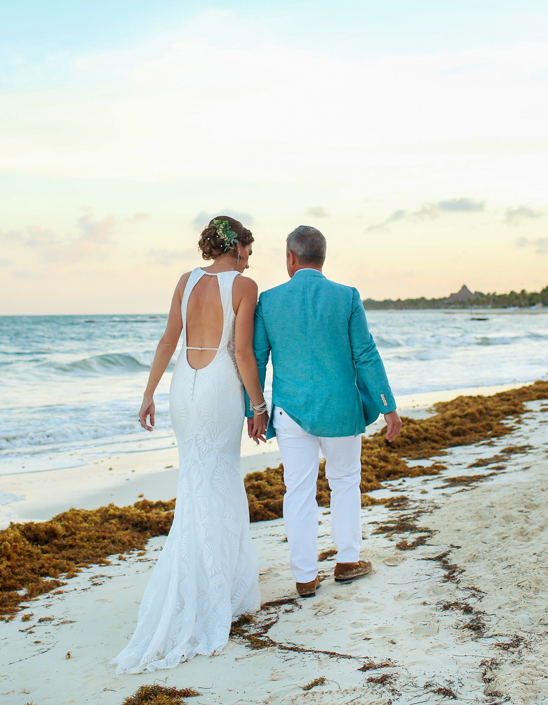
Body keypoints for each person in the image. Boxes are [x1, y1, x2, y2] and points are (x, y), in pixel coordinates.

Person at [112, 216, 266, 674]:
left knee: (196, 482)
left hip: (184, 388)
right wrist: (258, 405)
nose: (250, 257)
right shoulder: (244, 285)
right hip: (220, 388)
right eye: (249, 249)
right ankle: (221, 591)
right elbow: (241, 353)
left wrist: (148, 394)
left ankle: (199, 583)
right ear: (236, 246)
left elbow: (167, 340)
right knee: (220, 481)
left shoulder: (186, 280)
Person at [251, 225, 402, 598]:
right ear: (323, 257)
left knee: (298, 490)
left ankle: (304, 577)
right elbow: (365, 353)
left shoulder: (268, 301)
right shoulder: (346, 296)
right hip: (340, 410)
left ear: (290, 257)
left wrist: (253, 410)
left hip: (290, 412)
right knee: (345, 482)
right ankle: (347, 561)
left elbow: (257, 360)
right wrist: (388, 407)